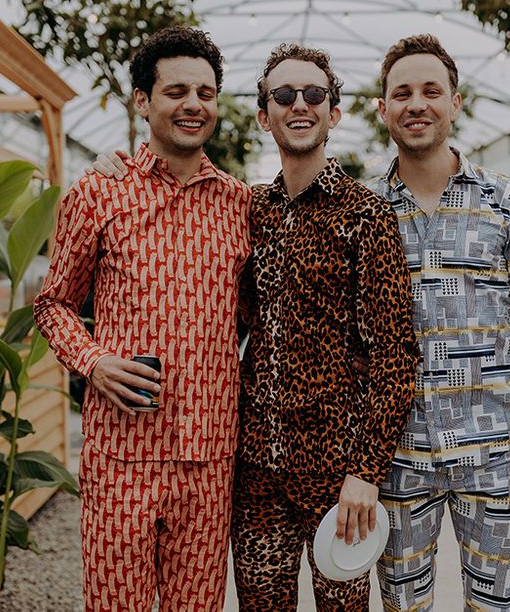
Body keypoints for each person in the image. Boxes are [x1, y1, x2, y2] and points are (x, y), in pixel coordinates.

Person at [93, 44, 420, 611]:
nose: (300, 105)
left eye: (314, 94)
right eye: (284, 95)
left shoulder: (366, 215)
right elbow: (225, 312)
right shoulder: (249, 208)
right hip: (255, 475)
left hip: (336, 478)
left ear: (333, 112)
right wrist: (114, 167)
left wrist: (365, 473)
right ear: (265, 114)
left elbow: (395, 356)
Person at [34, 26, 252, 611]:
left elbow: (258, 314)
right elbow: (52, 303)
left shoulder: (240, 204)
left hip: (209, 458)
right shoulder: (98, 194)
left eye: (205, 93)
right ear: (142, 100)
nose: (193, 105)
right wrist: (94, 361)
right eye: (176, 90)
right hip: (120, 455)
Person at [367, 34, 510, 612]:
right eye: (401, 92)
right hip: (399, 458)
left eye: (431, 90)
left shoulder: (507, 200)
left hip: (496, 453)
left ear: (455, 102)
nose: (417, 104)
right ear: (381, 108)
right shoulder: (366, 211)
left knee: (496, 607)